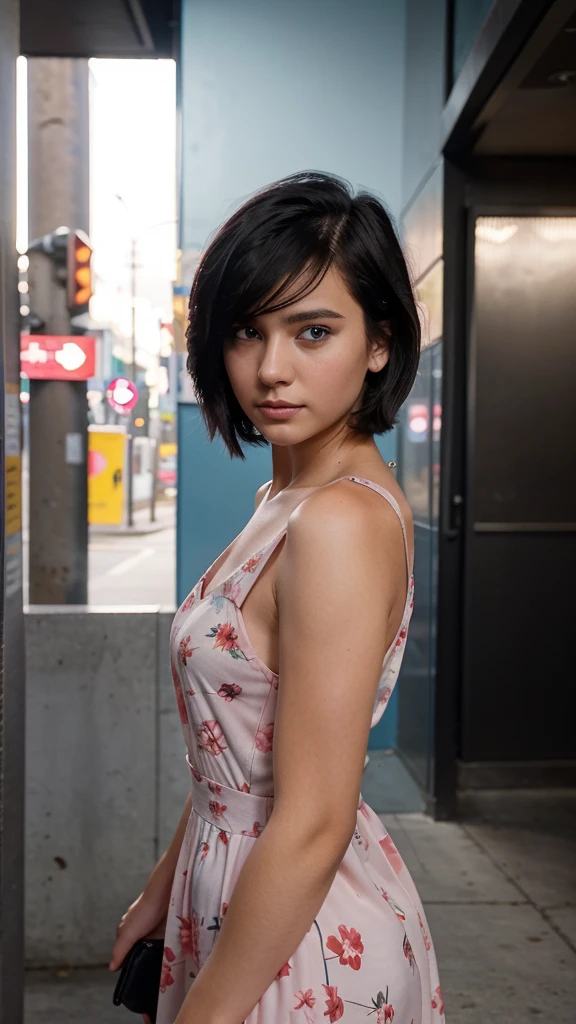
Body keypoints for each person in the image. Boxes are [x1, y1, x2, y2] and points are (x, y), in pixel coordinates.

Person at [109, 171, 445, 1024]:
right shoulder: (283, 500)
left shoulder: (338, 520)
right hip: (236, 891)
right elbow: (244, 752)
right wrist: (162, 889)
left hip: (302, 936)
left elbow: (314, 820)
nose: (270, 369)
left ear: (380, 342)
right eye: (247, 331)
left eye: (313, 331)